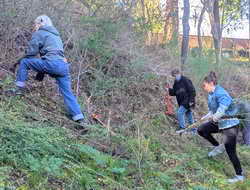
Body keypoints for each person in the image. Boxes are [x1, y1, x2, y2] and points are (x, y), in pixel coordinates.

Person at [10, 15, 87, 126]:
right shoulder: (56, 35)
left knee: (25, 62)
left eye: (35, 24)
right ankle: (79, 118)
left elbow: (30, 53)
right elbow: (49, 55)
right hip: (63, 66)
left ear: (40, 24)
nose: (34, 26)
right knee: (68, 93)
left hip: (52, 64)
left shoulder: (40, 33)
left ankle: (18, 89)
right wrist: (39, 75)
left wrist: (17, 62)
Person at [198, 71, 244, 183]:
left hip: (230, 125)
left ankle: (239, 176)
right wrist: (206, 117)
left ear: (211, 83)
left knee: (231, 151)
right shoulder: (211, 94)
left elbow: (221, 110)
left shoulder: (222, 93)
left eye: (205, 85)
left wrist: (214, 117)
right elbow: (213, 110)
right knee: (201, 130)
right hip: (220, 122)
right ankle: (218, 146)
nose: (203, 88)